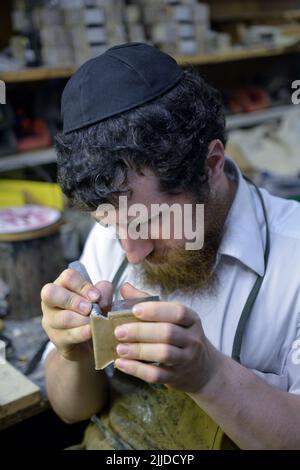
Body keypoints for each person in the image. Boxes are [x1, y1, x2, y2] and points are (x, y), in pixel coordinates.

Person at [41, 43, 300, 450]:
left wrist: (210, 377)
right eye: (112, 224)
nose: (130, 251)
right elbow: (70, 410)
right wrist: (71, 353)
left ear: (211, 165)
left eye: (149, 222)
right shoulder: (113, 236)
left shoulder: (294, 258)